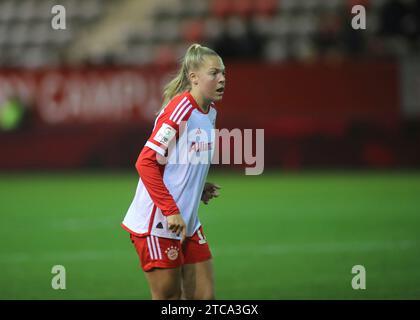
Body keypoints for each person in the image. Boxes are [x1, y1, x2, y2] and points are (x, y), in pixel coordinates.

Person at [121, 43, 226, 300]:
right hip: (158, 221)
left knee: (204, 297)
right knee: (170, 299)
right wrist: (171, 210)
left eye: (224, 73)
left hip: (186, 221)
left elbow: (181, 161)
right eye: (214, 73)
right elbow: (145, 162)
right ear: (194, 77)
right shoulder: (181, 110)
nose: (222, 79)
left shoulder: (209, 112)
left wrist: (197, 186)